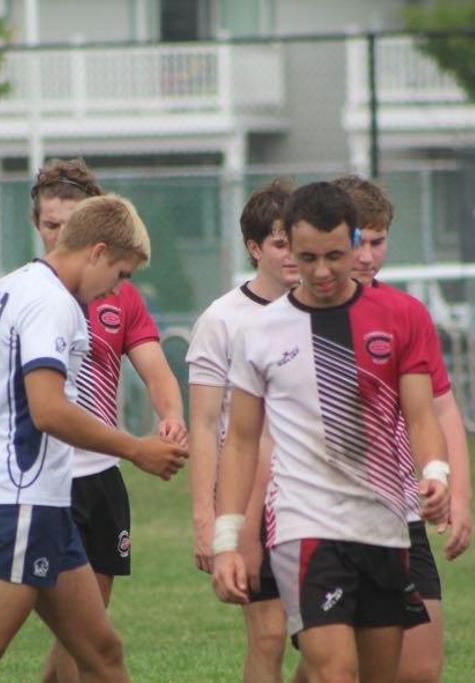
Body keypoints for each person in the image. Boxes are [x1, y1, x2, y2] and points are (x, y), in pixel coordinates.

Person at [0, 194, 188, 683]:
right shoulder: (53, 303)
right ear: (97, 251)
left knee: (103, 653)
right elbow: (47, 410)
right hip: (22, 504)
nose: (117, 289)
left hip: (34, 503)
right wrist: (136, 449)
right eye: (121, 274)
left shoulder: (9, 289)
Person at [212, 181, 450, 683]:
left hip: (382, 525)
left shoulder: (401, 316)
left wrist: (435, 473)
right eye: (307, 257)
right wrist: (227, 539)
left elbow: (421, 416)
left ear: (356, 242)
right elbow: (241, 442)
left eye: (334, 256)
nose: (321, 271)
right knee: (336, 671)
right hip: (305, 526)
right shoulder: (259, 331)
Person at [333, 174, 473, 683]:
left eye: (378, 242)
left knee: (420, 670)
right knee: (336, 668)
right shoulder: (295, 316)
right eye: (357, 242)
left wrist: (458, 495)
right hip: (325, 519)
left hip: (401, 517)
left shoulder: (405, 314)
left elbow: (442, 410)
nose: (367, 256)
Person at [186, 178, 300, 683]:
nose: (292, 254)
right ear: (255, 248)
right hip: (251, 494)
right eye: (280, 243)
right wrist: (207, 518)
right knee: (269, 636)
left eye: (298, 241)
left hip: (313, 492)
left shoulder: (324, 312)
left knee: (327, 640)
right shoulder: (222, 320)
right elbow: (205, 423)